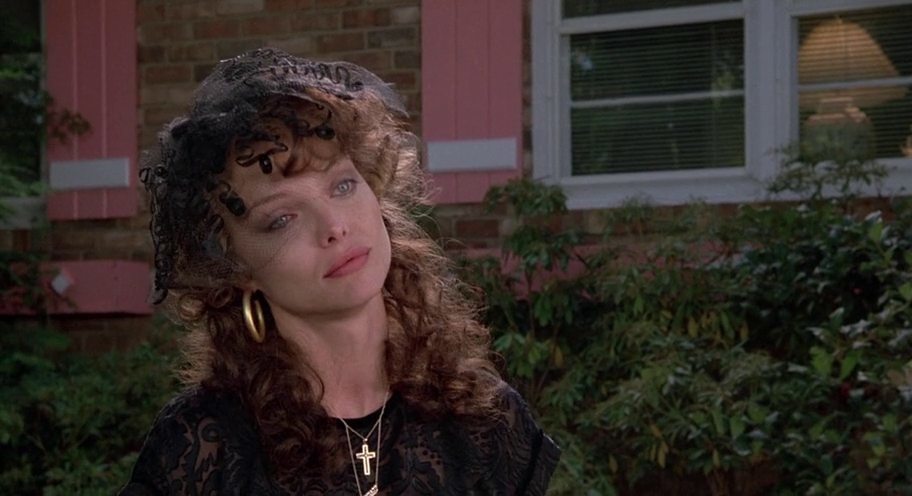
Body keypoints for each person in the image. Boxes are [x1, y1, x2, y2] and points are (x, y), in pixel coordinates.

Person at [119, 48, 559, 495]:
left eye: (343, 185)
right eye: (282, 219)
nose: (334, 227)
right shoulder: (199, 450)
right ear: (233, 266)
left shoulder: (487, 422)